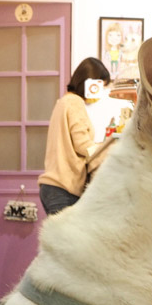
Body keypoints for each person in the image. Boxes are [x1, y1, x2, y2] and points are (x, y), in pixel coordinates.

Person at [38, 57, 113, 216]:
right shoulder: (74, 103)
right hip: (63, 188)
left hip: (53, 187)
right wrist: (108, 149)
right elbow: (83, 146)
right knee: (68, 240)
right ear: (90, 82)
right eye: (101, 86)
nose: (101, 93)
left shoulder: (64, 102)